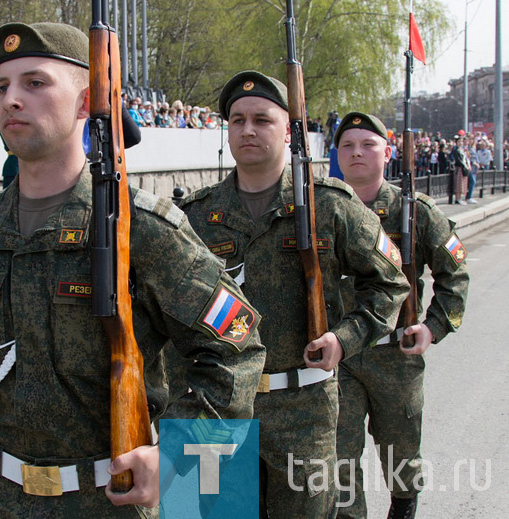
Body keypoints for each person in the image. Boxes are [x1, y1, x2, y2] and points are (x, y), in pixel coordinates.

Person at [0, 21, 265, 517]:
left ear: (86, 104)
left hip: (110, 503)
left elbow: (238, 346)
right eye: (0, 87)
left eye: (35, 83)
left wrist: (173, 460)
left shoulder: (139, 228)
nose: (11, 99)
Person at [175, 70, 408, 518]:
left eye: (262, 119)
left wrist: (346, 338)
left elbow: (390, 282)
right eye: (237, 119)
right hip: (210, 407)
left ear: (289, 129)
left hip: (302, 409)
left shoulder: (330, 205)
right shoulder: (196, 216)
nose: (247, 129)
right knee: (202, 514)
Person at [333, 112, 470, 519]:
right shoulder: (322, 208)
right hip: (338, 356)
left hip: (397, 356)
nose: (357, 153)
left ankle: (403, 508)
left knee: (402, 453)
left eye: (368, 144)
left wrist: (434, 326)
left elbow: (455, 272)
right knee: (338, 459)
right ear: (336, 155)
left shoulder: (415, 211)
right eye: (348, 146)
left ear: (387, 152)